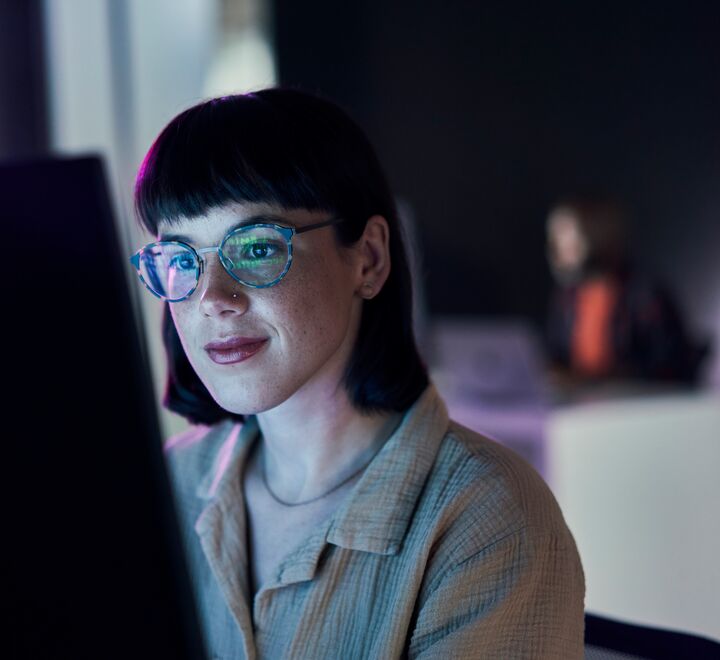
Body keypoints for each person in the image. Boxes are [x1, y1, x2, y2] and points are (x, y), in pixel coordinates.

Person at [129, 88, 585, 659]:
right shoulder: (167, 486)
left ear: (367, 258)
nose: (212, 298)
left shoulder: (487, 521)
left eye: (255, 247)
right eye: (179, 259)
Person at [545, 194, 709, 385]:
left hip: (637, 405)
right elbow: (556, 356)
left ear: (598, 233)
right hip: (583, 405)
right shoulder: (567, 299)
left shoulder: (644, 294)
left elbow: (670, 364)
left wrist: (608, 378)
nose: (559, 248)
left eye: (566, 235)